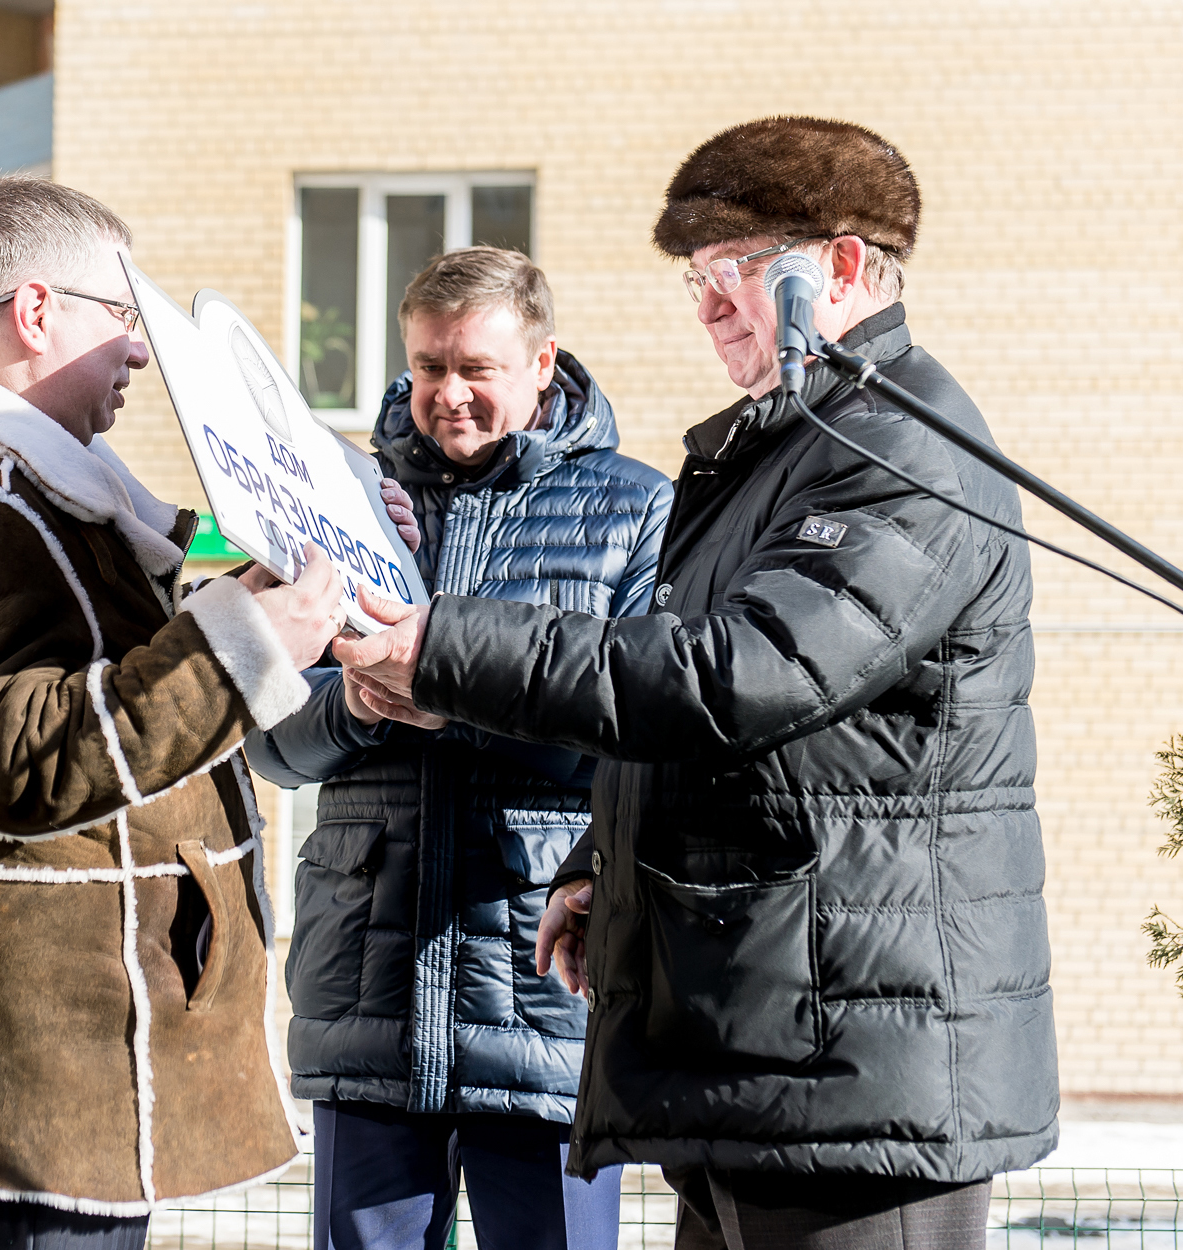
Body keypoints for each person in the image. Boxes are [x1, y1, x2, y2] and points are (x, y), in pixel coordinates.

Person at [333, 117, 1058, 1248]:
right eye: (695, 279)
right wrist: (600, 867)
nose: (710, 303)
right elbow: (712, 725)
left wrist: (439, 643)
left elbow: (736, 677)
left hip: (858, 1073)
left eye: (736, 272)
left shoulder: (900, 454)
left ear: (844, 267)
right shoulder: (785, 448)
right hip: (757, 1045)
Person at [0, 175, 350, 1250]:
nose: (137, 351)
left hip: (70, 1061)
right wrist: (253, 641)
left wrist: (324, 531)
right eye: (121, 317)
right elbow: (15, 763)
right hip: (33, 1067)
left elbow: (164, 556)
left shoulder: (35, 489)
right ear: (36, 311)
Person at [245, 246, 671, 1250]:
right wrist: (359, 705)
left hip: (542, 998)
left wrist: (453, 699)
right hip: (365, 996)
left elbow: (646, 744)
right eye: (427, 366)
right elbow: (268, 743)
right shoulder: (339, 503)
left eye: (475, 368)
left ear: (540, 362)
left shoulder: (632, 510)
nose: (447, 395)